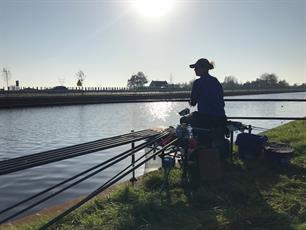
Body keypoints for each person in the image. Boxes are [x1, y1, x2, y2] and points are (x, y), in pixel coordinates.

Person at [188, 58, 227, 146]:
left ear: (204, 69)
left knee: (183, 120)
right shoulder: (215, 81)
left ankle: (190, 149)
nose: (195, 70)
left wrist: (190, 101)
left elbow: (193, 103)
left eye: (197, 68)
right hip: (221, 118)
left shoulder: (198, 83)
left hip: (207, 119)